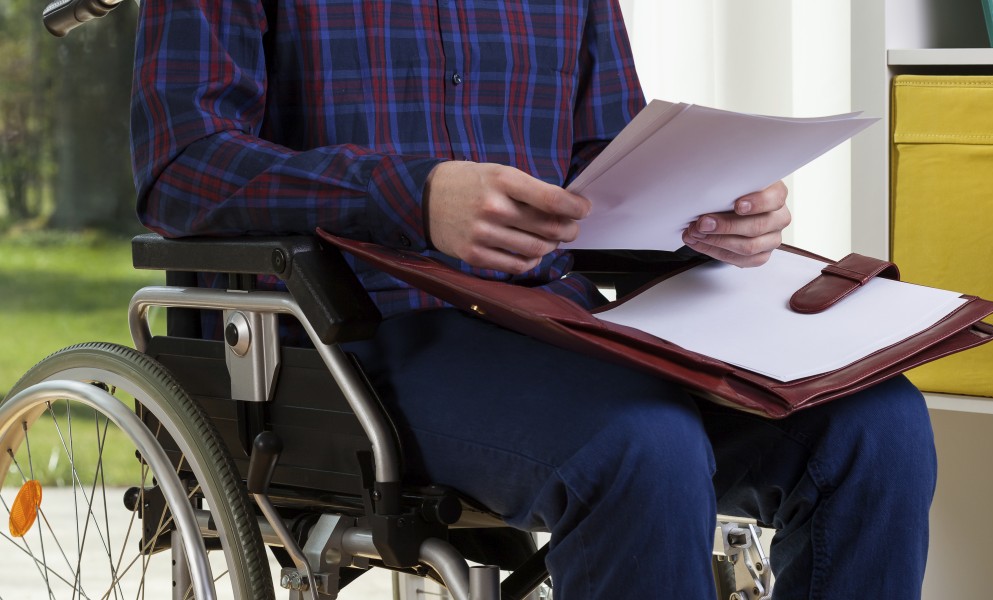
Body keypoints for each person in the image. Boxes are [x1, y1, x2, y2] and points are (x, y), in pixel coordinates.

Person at [129, 0, 937, 597]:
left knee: (876, 427)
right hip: (345, 338)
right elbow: (181, 166)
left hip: (556, 325)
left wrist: (711, 213)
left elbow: (606, 162)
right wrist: (408, 197)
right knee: (637, 446)